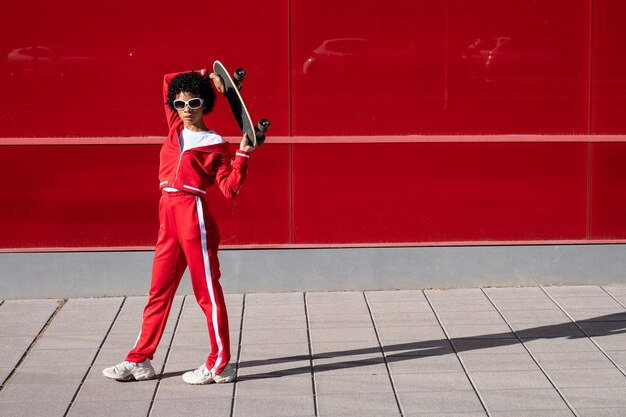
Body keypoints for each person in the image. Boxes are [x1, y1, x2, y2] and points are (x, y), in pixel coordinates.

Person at [103, 67, 255, 384]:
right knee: (158, 291)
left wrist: (242, 154)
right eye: (180, 104)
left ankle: (220, 363)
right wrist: (207, 75)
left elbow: (229, 189)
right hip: (167, 213)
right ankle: (140, 359)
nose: (186, 110)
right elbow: (168, 79)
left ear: (206, 105)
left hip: (193, 215)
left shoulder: (215, 143)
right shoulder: (175, 128)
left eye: (194, 102)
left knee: (206, 293)